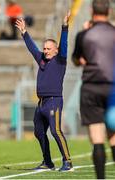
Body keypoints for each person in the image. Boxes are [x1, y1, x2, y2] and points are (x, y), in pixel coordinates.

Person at [15, 12, 74, 172]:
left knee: (56, 131)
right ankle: (48, 162)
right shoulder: (41, 58)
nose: (46, 51)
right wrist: (24, 33)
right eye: (45, 48)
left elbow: (64, 43)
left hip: (54, 101)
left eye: (49, 48)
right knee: (38, 131)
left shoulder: (60, 60)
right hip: (41, 103)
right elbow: (32, 48)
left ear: (56, 50)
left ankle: (67, 162)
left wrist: (64, 26)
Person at [72, 0, 115, 179]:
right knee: (113, 137)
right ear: (109, 11)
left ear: (91, 11)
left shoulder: (84, 35)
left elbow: (76, 60)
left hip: (91, 88)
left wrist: (83, 60)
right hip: (113, 88)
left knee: (97, 138)